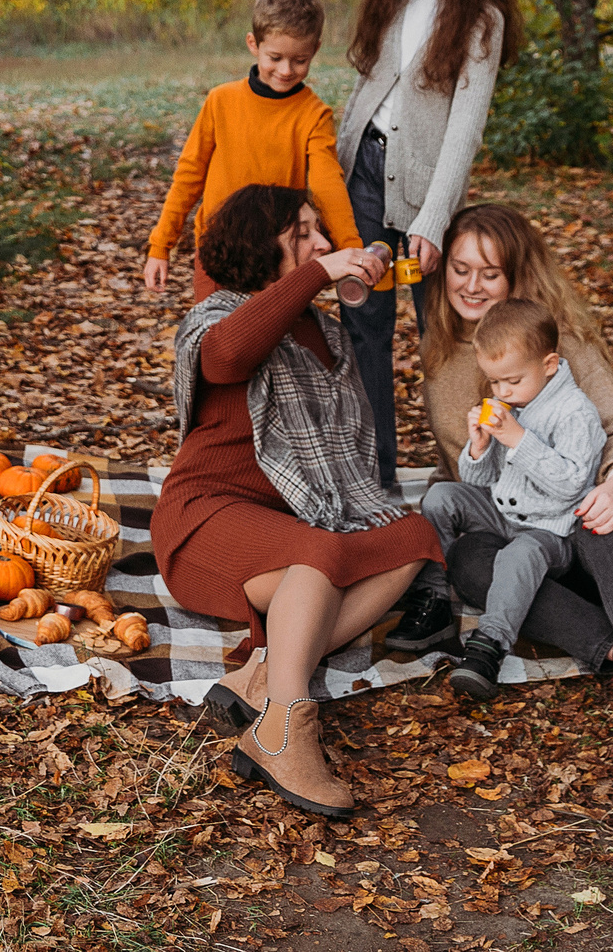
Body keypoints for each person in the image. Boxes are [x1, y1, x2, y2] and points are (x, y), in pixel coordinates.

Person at [153, 183, 442, 819]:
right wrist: (317, 272)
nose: (321, 243)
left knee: (414, 537)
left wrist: (319, 281)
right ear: (265, 244)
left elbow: (338, 455)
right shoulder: (218, 315)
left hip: (283, 527)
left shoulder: (325, 332)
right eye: (302, 233)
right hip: (204, 522)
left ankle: (263, 672)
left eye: (319, 232)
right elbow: (227, 359)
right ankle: (284, 726)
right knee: (321, 555)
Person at [405, 203, 613, 739]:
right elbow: (461, 474)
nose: (472, 286)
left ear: (515, 275)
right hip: (523, 537)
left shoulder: (559, 344)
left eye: (490, 272)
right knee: (471, 561)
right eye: (461, 269)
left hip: (596, 534)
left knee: (598, 518)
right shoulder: (441, 353)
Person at [336, 0, 521, 487]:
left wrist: (434, 220)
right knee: (364, 328)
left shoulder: (480, 20)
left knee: (443, 340)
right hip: (363, 175)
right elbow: (367, 93)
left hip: (424, 195)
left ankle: (469, 476)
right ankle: (374, 478)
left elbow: (463, 133)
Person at [419, 299, 605, 702]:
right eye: (494, 382)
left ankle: (490, 645)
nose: (503, 392)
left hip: (550, 529)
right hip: (504, 511)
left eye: (512, 381)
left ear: (550, 364)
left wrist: (518, 439)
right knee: (441, 496)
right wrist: (480, 448)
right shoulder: (517, 402)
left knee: (519, 555)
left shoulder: (575, 412)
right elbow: (483, 480)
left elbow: (570, 484)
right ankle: (433, 593)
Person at [145, 0, 362, 295]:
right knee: (220, 337)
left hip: (282, 260)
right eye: (275, 58)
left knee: (276, 339)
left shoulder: (314, 115)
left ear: (315, 49)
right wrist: (160, 245)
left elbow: (328, 185)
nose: (286, 70)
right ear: (253, 44)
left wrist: (350, 248)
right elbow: (189, 176)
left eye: (299, 60)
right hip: (220, 253)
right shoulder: (221, 102)